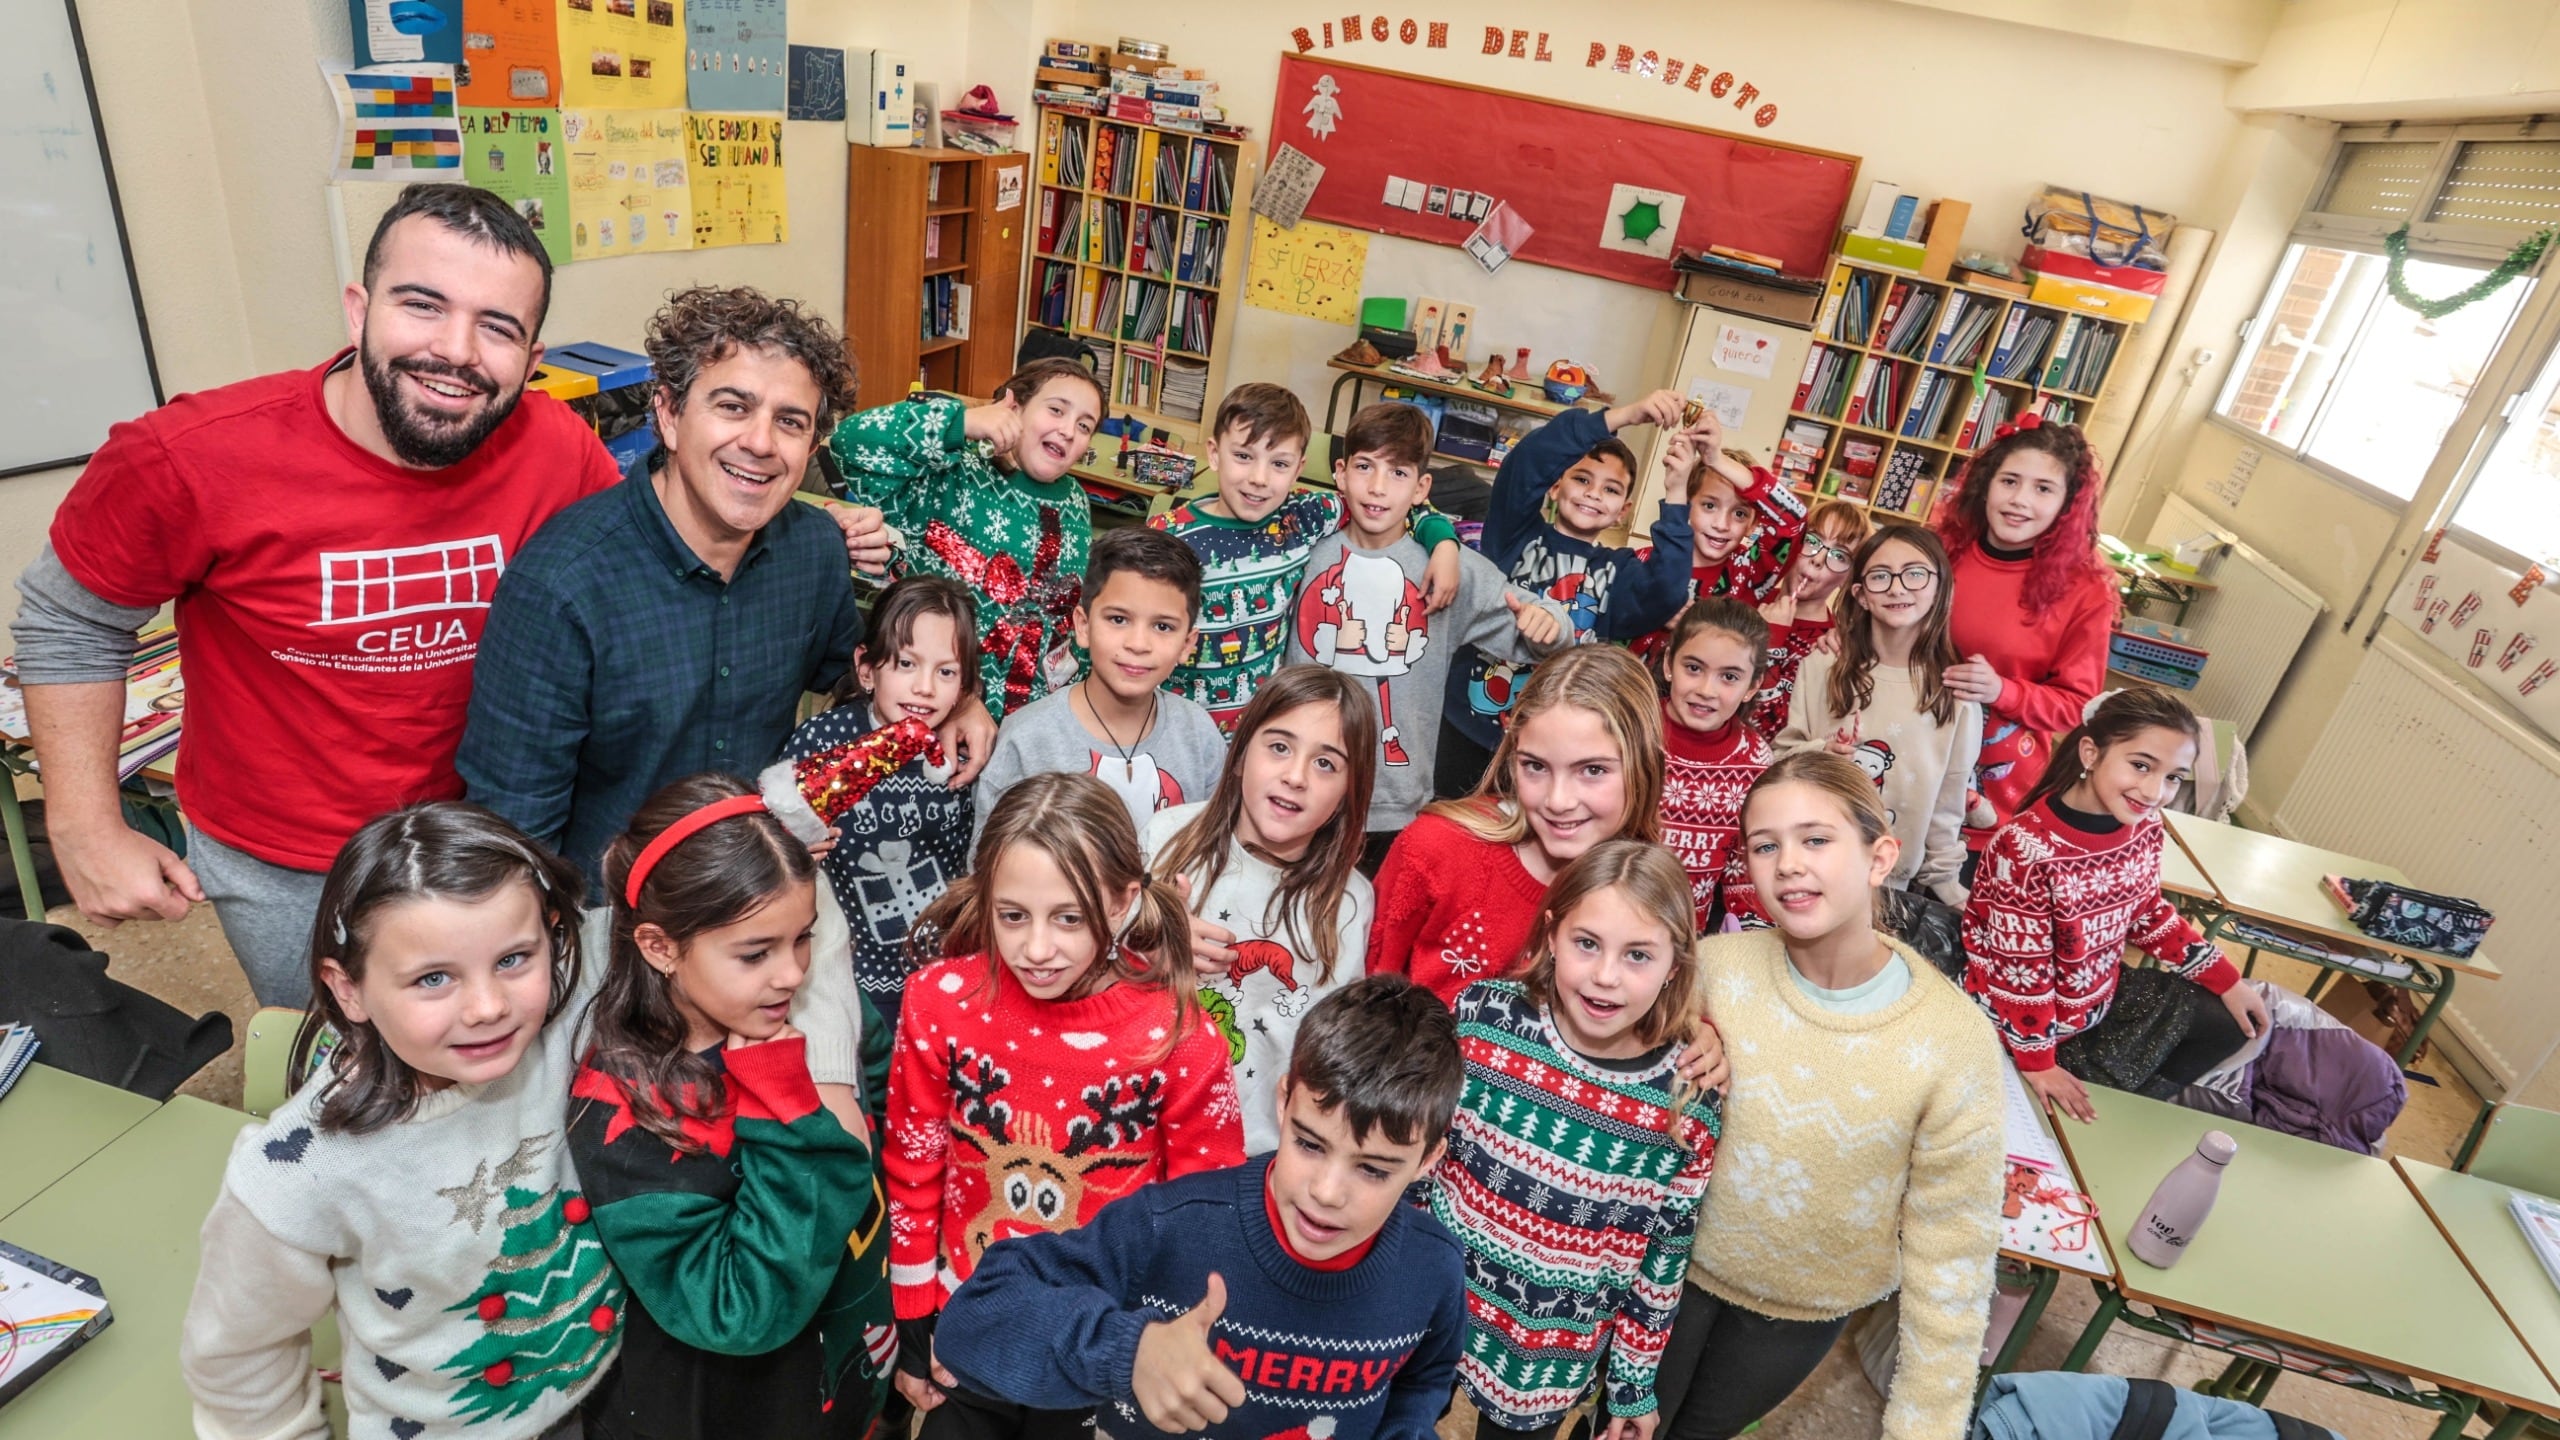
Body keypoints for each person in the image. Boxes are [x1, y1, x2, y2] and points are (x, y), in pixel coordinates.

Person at [11, 185, 620, 1006]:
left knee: (507, 1053)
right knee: (340, 1075)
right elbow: (69, 617)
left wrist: (788, 531)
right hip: (288, 862)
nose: (456, 350)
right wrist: (85, 825)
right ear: (358, 309)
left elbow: (629, 569)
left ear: (533, 356)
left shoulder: (558, 449)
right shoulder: (189, 457)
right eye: (422, 305)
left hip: (490, 836)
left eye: (497, 327)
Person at [458, 286, 990, 889]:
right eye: (733, 406)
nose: (761, 443)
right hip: (615, 922)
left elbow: (860, 676)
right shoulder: (560, 586)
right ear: (668, 415)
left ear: (810, 446)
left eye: (789, 421)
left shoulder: (813, 549)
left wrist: (957, 703)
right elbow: (512, 832)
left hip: (765, 892)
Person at [178, 804, 617, 1440]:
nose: (489, 1006)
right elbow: (238, 1356)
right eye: (433, 978)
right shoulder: (299, 1170)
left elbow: (697, 912)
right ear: (347, 988)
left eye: (514, 959)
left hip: (611, 1398)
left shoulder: (574, 998)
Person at [926, 975, 1469, 1440]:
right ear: (1284, 1100)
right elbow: (972, 1322)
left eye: (1373, 1169)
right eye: (1309, 1143)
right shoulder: (1170, 1225)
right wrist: (1127, 1352)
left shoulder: (1434, 1268)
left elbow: (1423, 1382)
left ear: (1429, 1158)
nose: (1327, 1193)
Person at [883, 772, 1246, 1434]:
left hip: (1101, 1354)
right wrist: (914, 1319)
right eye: (1012, 915)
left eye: (1069, 918)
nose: (1038, 948)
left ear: (1123, 902)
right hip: (969, 1334)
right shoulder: (939, 1001)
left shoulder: (1181, 1039)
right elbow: (913, 1166)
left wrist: (1156, 1347)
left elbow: (1200, 1219)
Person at [1657, 752, 2003, 1440]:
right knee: (1617, 1424)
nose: (1788, 863)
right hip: (1664, 1271)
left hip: (1797, 1313)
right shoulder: (1712, 970)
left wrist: (1925, 1423)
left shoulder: (1952, 1038)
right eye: (1765, 845)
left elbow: (1954, 1246)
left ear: (1880, 857)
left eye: (1816, 839)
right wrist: (1679, 1031)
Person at [569, 774, 895, 1440]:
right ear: (660, 946)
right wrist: (784, 1107)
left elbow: (881, 1078)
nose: (794, 973)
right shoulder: (627, 1115)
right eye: (756, 953)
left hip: (837, 1384)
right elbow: (739, 1311)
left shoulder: (799, 1010)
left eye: (803, 937)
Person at [1432, 841, 1720, 1440]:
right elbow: (1420, 1158)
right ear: (1552, 934)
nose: (1606, 976)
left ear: (1676, 965)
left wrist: (1632, 1385)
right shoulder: (1483, 1018)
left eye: (1638, 955)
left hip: (1546, 1354)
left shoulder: (1687, 1099)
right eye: (1587, 944)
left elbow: (1664, 1257)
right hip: (1431, 1303)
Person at [1284, 402, 1570, 871]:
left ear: (1421, 488)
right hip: (1295, 786)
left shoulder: (1447, 571)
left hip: (1390, 804)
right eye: (1364, 467)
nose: (1377, 487)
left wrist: (1549, 624)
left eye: (1397, 473)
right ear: (1340, 473)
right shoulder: (1304, 551)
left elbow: (1541, 627)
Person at [1962, 688, 2269, 1122]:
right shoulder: (2025, 849)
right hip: (2015, 1019)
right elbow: (2021, 973)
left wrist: (2227, 979)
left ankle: (2130, 1109)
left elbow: (2146, 912)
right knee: (2056, 1104)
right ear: (2091, 753)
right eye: (2141, 765)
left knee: (2228, 1022)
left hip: (2090, 1005)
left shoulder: (2145, 827)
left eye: (2173, 777)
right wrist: (2039, 1064)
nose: (2154, 791)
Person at [1146, 665, 1379, 1154]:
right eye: (1279, 747)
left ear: (1346, 796)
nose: (1295, 776)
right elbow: (1093, 971)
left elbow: (1331, 1051)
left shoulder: (1350, 901)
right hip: (1141, 1118)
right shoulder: (1166, 838)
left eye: (1326, 764)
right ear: (1239, 756)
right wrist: (1153, 942)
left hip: (1254, 1148)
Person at [1151, 382, 1461, 732]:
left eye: (1279, 463)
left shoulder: (1303, 517)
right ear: (1214, 452)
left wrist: (1444, 543)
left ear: (1298, 469)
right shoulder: (1166, 535)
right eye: (1243, 456)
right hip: (1172, 729)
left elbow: (1386, 504)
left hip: (1255, 736)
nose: (1258, 478)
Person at [1437, 390, 1699, 799]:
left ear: (1623, 511)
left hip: (1551, 751)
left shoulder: (1618, 570)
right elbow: (1526, 463)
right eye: (1582, 479)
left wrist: (1678, 491)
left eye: (1611, 490)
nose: (1594, 493)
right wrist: (1625, 414)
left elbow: (1666, 590)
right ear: (1556, 487)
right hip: (1466, 724)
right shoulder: (1514, 534)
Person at [1369, 645, 1662, 1008]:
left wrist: (1702, 1031)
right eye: (1535, 766)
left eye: (1592, 770)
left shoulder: (1650, 888)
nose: (1558, 800)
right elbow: (1359, 997)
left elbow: (1668, 998)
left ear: (1643, 766)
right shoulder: (1436, 849)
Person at [832, 357, 1106, 719]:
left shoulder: (1075, 499)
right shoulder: (955, 470)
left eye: (1084, 425)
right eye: (1056, 410)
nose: (1069, 430)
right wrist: (961, 422)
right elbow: (850, 443)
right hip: (936, 705)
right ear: (1014, 406)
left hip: (1032, 713)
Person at [776, 576, 979, 1033]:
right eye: (906, 663)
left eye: (946, 672)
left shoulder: (963, 752)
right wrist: (794, 850)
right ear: (867, 670)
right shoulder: (824, 742)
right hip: (840, 973)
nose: (925, 688)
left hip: (936, 971)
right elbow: (778, 839)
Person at [1930, 415, 2118, 855]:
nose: (2019, 501)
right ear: (1985, 484)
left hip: (1992, 788)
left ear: (2067, 504)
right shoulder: (1941, 550)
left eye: (2043, 489)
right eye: (2009, 481)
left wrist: (2003, 690)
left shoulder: (2086, 590)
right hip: (1908, 751)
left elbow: (2079, 706)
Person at [973, 527, 1227, 840]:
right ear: (1083, 626)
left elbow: (1214, 847)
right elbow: (989, 867)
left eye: (1163, 626)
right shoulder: (1028, 739)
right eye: (1118, 619)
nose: (1138, 644)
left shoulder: (1199, 735)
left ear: (1187, 644)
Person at [1778, 525, 1981, 908]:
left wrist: (1947, 883)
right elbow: (1780, 759)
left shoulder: (1957, 693)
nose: (1897, 587)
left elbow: (1948, 802)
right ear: (1861, 595)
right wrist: (1823, 752)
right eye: (1880, 575)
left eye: (1915, 573)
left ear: (1941, 588)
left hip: (1892, 888)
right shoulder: (1822, 665)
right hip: (1805, 869)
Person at [1655, 600, 1774, 931]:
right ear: (1669, 664)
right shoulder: (1629, 732)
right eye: (1693, 668)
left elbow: (1744, 869)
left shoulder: (1755, 761)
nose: (1707, 690)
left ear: (1752, 686)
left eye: (1729, 677)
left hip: (1684, 943)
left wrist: (1742, 938)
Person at [1745, 500, 1870, 736]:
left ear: (1849, 577)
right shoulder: (1750, 595)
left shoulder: (1827, 647)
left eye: (1840, 556)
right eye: (1812, 541)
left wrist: (1770, 643)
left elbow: (1775, 734)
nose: (1818, 559)